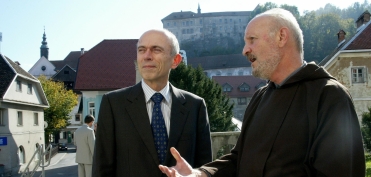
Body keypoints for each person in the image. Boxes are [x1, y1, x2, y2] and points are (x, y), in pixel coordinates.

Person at [159, 8, 365, 177]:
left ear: (282, 37)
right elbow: (239, 159)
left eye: (252, 39)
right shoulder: (260, 97)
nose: (245, 50)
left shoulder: (329, 96)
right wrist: (200, 174)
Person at [92, 29, 212, 176]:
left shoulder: (195, 106)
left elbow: (204, 168)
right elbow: (102, 168)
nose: (147, 56)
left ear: (175, 60)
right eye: (141, 50)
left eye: (156, 50)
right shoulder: (113, 104)